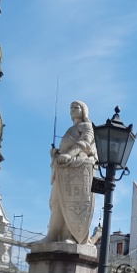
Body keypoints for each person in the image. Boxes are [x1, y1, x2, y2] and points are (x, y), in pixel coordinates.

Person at [41, 101, 97, 244]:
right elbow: (64, 151)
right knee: (56, 203)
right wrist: (56, 154)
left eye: (76, 107)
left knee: (73, 204)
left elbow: (85, 143)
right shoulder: (71, 129)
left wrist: (69, 155)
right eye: (71, 107)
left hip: (77, 167)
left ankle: (71, 236)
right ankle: (52, 235)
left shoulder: (87, 126)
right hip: (63, 170)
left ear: (84, 110)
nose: (73, 109)